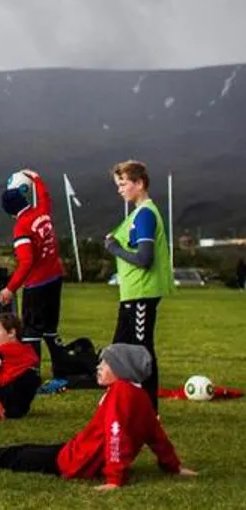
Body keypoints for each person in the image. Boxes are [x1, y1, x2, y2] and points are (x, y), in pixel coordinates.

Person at [0, 344, 196, 492]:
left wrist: (115, 479)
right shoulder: (139, 396)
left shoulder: (121, 394)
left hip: (74, 461)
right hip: (74, 451)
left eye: (105, 364)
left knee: (8, 457)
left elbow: (118, 433)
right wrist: (173, 466)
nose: (98, 367)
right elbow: (155, 435)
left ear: (122, 370)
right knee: (15, 452)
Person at [103, 160, 173, 412]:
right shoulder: (136, 213)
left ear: (139, 183)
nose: (119, 189)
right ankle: (120, 402)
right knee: (119, 346)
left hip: (142, 293)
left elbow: (144, 258)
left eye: (123, 184)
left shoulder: (145, 214)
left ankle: (149, 411)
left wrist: (114, 248)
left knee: (142, 351)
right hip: (131, 294)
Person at [0, 169, 66, 372]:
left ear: (9, 211)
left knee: (31, 331)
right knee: (50, 328)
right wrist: (36, 177)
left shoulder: (21, 227)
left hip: (37, 284)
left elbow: (26, 261)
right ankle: (61, 367)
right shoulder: (41, 212)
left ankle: (31, 372)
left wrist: (10, 288)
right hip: (55, 276)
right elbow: (45, 195)